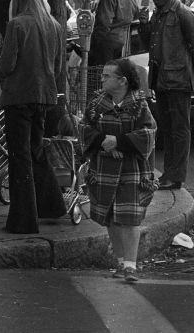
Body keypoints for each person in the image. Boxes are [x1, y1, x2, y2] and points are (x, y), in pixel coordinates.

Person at [0, 0, 68, 234]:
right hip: (44, 95)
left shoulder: (17, 25)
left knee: (20, 155)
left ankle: (23, 219)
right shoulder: (53, 25)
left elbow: (6, 65)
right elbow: (59, 66)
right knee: (36, 150)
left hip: (19, 96)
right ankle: (51, 205)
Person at [81, 58, 157, 283]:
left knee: (130, 217)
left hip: (131, 170)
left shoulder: (139, 105)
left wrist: (120, 143)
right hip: (104, 168)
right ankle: (120, 262)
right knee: (111, 217)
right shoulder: (97, 104)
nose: (102, 79)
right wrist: (104, 141)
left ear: (122, 81)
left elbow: (150, 132)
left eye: (107, 76)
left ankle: (131, 266)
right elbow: (84, 127)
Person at [144, 0, 194, 191]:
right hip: (161, 81)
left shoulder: (182, 13)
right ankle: (168, 174)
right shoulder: (158, 14)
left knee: (179, 129)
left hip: (179, 81)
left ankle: (176, 176)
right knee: (166, 128)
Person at [90, 0, 139, 67]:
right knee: (117, 71)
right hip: (124, 41)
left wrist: (94, 43)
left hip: (108, 41)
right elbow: (136, 16)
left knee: (104, 70)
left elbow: (104, 23)